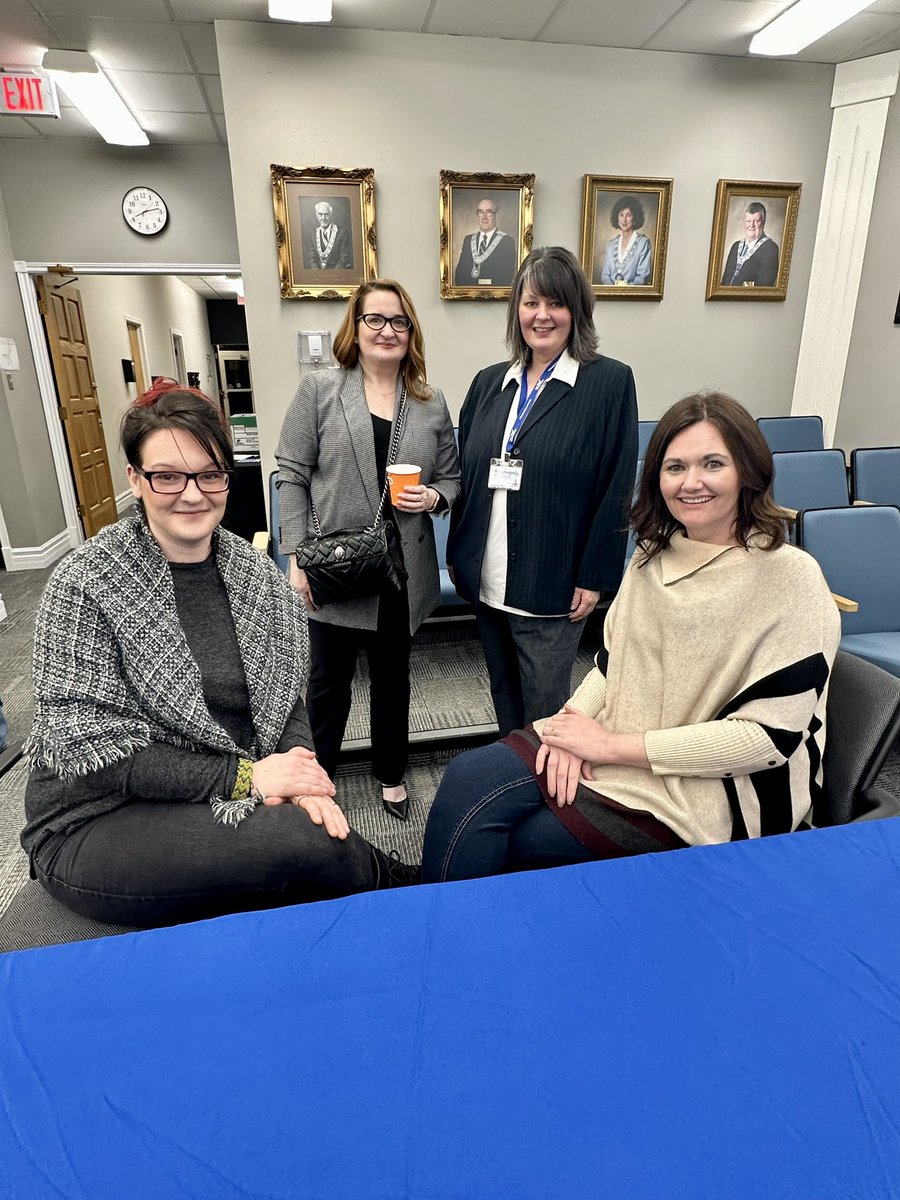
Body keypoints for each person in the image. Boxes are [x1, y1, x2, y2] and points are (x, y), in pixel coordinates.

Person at [21, 380, 417, 928]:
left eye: (210, 474)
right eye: (167, 476)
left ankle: (398, 900)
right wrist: (249, 778)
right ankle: (411, 895)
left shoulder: (256, 575)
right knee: (304, 844)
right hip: (95, 817)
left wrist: (301, 773)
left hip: (215, 791)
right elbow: (100, 756)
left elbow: (287, 701)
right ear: (134, 479)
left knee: (308, 835)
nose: (192, 494)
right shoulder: (85, 582)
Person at [423, 392, 841, 883]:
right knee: (467, 779)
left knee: (521, 840)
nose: (691, 482)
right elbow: (612, 665)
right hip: (618, 737)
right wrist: (572, 726)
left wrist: (607, 747)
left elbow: (766, 740)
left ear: (748, 471)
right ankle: (428, 912)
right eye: (675, 467)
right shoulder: (652, 556)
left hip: (716, 791)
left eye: (712, 464)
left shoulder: (790, 578)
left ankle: (436, 914)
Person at [276, 280, 460, 821]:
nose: (387, 330)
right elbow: (291, 475)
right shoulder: (321, 390)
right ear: (355, 328)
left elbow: (452, 478)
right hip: (335, 567)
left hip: (401, 570)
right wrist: (295, 556)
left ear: (411, 332)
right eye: (374, 319)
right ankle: (318, 779)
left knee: (393, 680)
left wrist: (434, 497)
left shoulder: (429, 402)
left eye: (399, 321)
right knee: (327, 684)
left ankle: (391, 774)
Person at [448, 245, 637, 738]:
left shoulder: (608, 382)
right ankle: (513, 771)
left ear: (577, 310)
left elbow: (617, 485)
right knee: (504, 698)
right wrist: (459, 555)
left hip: (553, 583)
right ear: (517, 311)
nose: (542, 315)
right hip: (488, 576)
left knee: (546, 712)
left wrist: (595, 575)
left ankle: (546, 783)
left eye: (556, 303)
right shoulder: (489, 383)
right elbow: (469, 474)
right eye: (531, 303)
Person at [454, 196, 518, 287]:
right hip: (469, 295)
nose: (484, 217)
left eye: (489, 212)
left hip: (494, 296)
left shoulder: (507, 242)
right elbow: (459, 276)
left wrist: (479, 287)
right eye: (481, 212)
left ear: (495, 214)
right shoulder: (468, 240)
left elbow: (505, 278)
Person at [721, 201, 780, 287]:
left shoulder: (770, 249)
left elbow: (764, 288)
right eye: (748, 221)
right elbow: (725, 281)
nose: (751, 225)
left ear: (763, 222)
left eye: (756, 221)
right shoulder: (736, 246)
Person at [599, 195, 653, 286]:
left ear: (635, 217)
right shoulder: (610, 245)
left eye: (629, 215)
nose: (624, 220)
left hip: (633, 294)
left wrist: (624, 290)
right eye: (621, 215)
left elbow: (642, 278)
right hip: (610, 294)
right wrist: (613, 291)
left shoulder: (643, 243)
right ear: (617, 217)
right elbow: (605, 276)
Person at [305, 200, 353, 270]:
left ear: (331, 215)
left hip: (337, 273)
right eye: (320, 214)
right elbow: (311, 259)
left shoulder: (342, 233)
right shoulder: (313, 234)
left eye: (326, 214)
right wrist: (317, 273)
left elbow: (344, 258)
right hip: (318, 274)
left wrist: (332, 274)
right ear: (316, 215)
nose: (323, 218)